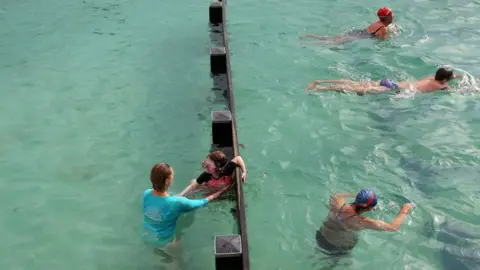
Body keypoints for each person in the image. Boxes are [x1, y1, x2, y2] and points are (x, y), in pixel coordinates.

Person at [142, 163, 229, 249]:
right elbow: (202, 202)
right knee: (177, 250)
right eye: (172, 175)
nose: (173, 177)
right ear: (167, 181)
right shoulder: (177, 202)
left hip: (146, 236)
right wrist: (221, 191)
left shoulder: (146, 193)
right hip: (165, 242)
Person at [316, 189, 415, 256]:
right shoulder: (361, 221)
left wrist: (354, 195)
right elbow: (393, 227)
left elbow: (336, 195)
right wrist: (404, 210)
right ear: (370, 208)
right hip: (337, 248)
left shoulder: (338, 204)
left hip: (321, 236)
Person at [306, 67, 466, 95]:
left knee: (356, 83)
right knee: (356, 90)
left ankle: (320, 81)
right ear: (446, 80)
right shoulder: (441, 87)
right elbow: (460, 91)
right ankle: (320, 89)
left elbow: (450, 77)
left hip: (391, 81)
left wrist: (458, 76)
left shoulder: (431, 78)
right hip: (394, 89)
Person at [300, 7, 396, 44]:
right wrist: (392, 36)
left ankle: (310, 36)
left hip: (357, 32)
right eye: (392, 15)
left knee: (332, 38)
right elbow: (381, 40)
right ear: (387, 18)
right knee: (331, 43)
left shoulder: (378, 22)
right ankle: (308, 44)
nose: (393, 16)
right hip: (357, 37)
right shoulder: (383, 28)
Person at [179, 151, 247, 197]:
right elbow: (192, 186)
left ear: (217, 165)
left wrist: (244, 172)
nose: (206, 165)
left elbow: (238, 158)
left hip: (223, 189)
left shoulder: (226, 170)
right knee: (193, 184)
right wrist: (180, 195)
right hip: (211, 188)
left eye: (209, 163)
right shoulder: (206, 175)